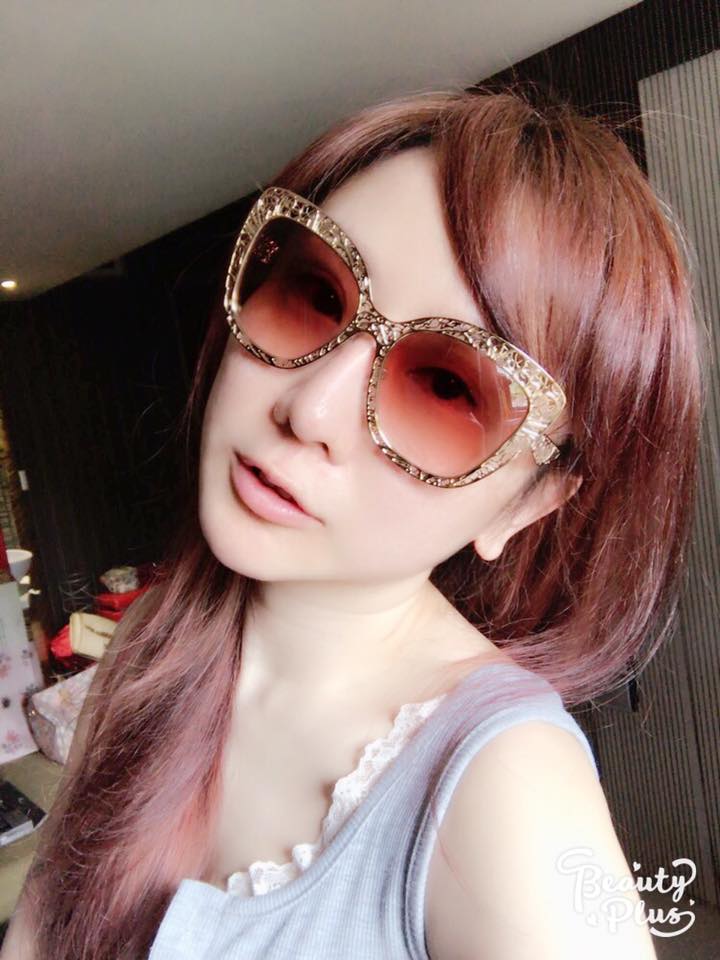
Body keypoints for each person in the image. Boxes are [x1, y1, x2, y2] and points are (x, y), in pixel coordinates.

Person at [1, 83, 703, 960]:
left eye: (444, 386)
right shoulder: (151, 650)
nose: (309, 408)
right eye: (314, 292)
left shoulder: (505, 797)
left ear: (528, 500)